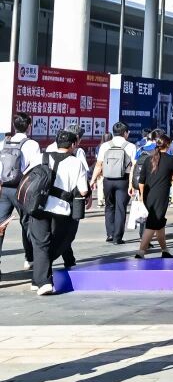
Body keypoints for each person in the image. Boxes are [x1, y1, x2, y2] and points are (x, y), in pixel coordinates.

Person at [26, 130, 89, 295]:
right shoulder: (77, 163)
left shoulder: (41, 157)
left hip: (38, 207)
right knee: (57, 243)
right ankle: (43, 282)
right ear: (73, 145)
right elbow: (83, 190)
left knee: (41, 244)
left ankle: (39, 281)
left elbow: (27, 177)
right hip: (61, 209)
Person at [0, 112, 44, 275]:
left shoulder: (4, 143)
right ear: (29, 126)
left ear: (14, 126)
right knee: (27, 223)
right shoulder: (32, 144)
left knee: (0, 226)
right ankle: (29, 258)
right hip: (23, 188)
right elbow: (35, 168)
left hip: (4, 189)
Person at [135, 133, 173, 259]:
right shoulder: (170, 159)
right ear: (168, 145)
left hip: (148, 196)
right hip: (160, 196)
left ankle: (165, 250)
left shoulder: (148, 159)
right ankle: (140, 252)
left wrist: (142, 196)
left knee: (159, 223)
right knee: (152, 224)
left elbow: (141, 181)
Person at [91, 122, 137, 245]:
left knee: (109, 206)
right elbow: (133, 167)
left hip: (107, 180)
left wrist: (93, 180)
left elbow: (98, 165)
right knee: (121, 208)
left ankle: (110, 234)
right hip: (123, 180)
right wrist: (131, 184)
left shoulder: (105, 146)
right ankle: (117, 238)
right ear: (125, 133)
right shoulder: (131, 146)